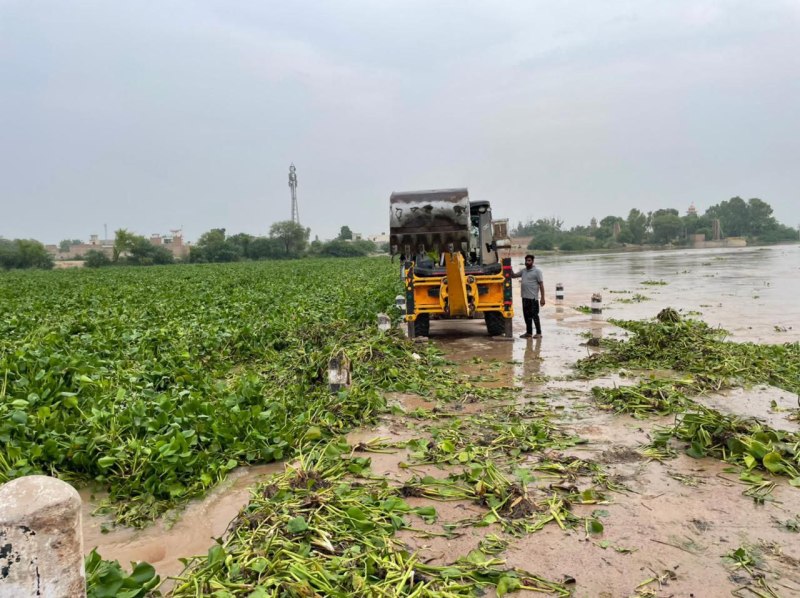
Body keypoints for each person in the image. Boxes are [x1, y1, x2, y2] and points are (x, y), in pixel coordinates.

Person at [512, 254, 545, 338]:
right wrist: (509, 268)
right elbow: (513, 276)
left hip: (533, 298)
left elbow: (541, 285)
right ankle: (529, 333)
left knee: (535, 316)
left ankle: (539, 333)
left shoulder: (537, 271)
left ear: (533, 261)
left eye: (529, 260)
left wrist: (542, 298)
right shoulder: (523, 271)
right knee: (526, 316)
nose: (527, 262)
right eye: (526, 260)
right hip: (525, 297)